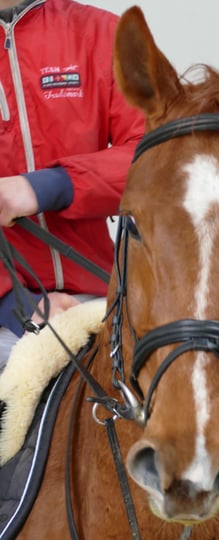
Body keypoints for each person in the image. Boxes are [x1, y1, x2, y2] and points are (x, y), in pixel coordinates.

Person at [0, 0, 145, 370]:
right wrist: (14, 305)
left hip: (100, 301)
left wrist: (47, 187)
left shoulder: (105, 33)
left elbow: (160, 156)